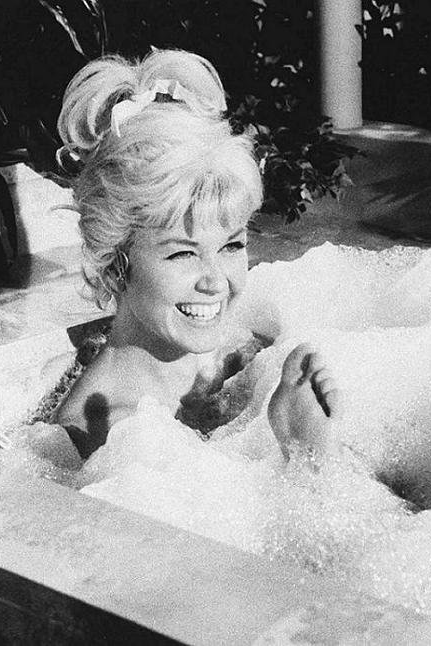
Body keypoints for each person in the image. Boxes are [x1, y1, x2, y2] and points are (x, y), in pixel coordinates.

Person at [52, 49, 342, 464]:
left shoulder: (244, 357)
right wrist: (307, 458)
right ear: (115, 266)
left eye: (231, 246)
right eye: (183, 254)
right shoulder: (103, 439)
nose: (216, 281)